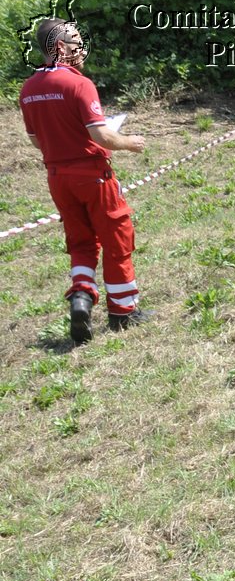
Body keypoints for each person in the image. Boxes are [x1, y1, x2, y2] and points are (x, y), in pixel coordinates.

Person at [19, 18, 148, 344]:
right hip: (93, 177)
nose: (81, 49)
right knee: (117, 236)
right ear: (60, 47)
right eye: (76, 43)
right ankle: (123, 311)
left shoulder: (29, 89)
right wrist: (129, 141)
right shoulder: (79, 84)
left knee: (80, 241)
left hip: (57, 178)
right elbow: (101, 134)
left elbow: (36, 140)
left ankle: (81, 296)